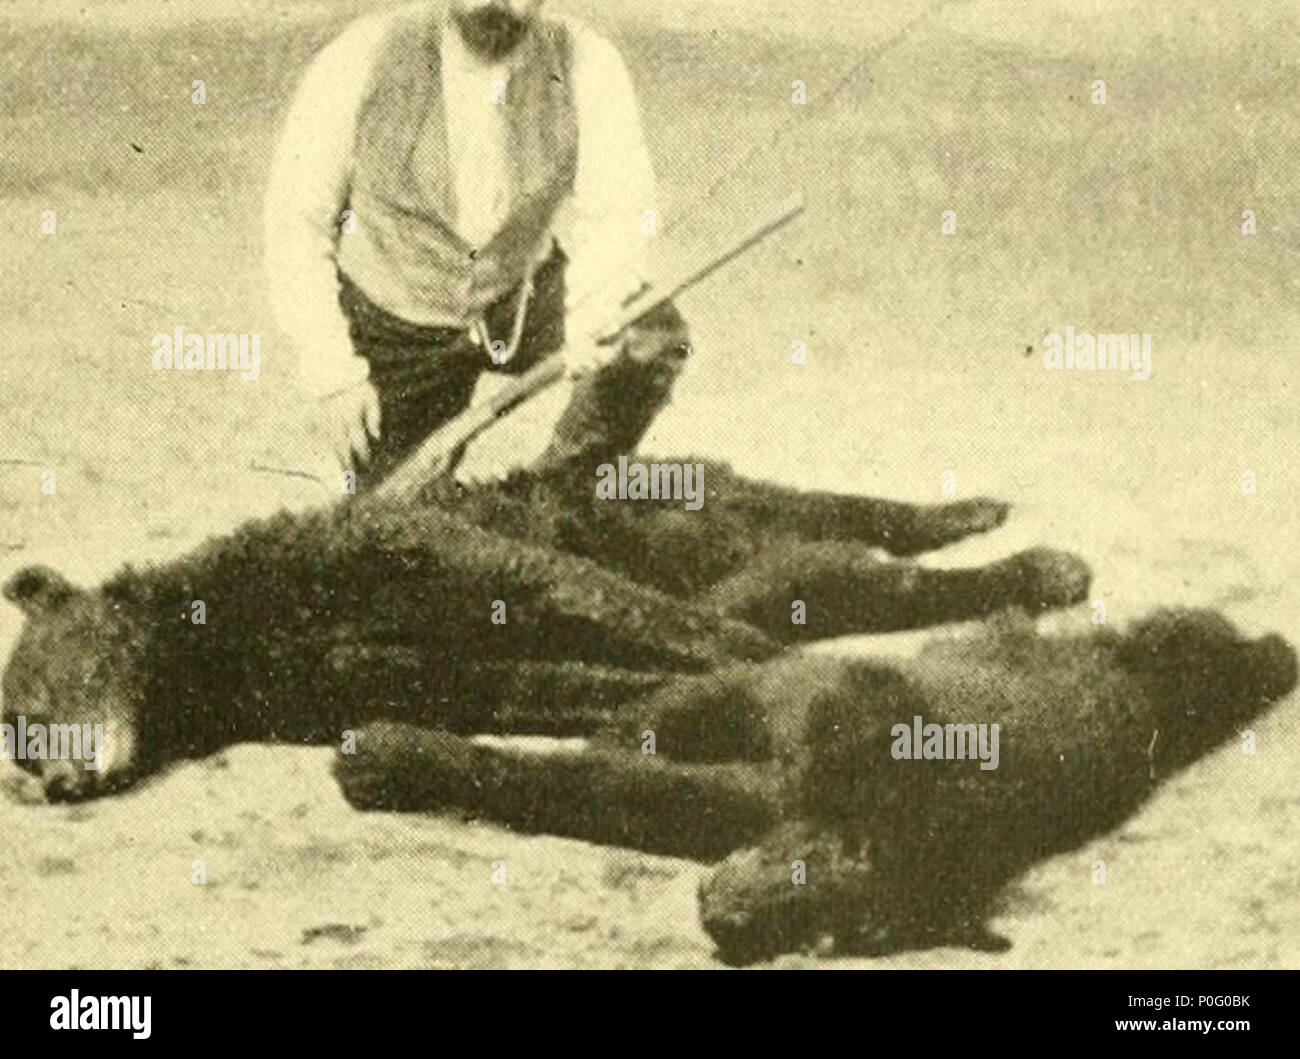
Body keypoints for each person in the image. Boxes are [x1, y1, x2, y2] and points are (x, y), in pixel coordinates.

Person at [264, 0, 690, 486]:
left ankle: (560, 494)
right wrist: (333, 377)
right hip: (399, 327)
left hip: (519, 298)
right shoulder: (362, 56)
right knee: (396, 527)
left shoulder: (588, 63)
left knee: (643, 332)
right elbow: (295, 225)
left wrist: (593, 315)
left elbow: (618, 211)